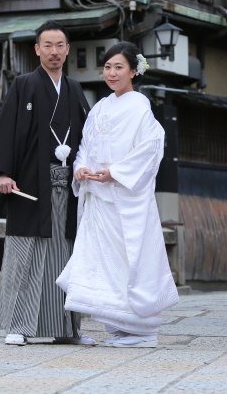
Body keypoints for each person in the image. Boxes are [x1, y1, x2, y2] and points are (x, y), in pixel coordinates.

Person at [56, 42, 179, 348]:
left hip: (126, 198)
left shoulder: (140, 105)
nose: (111, 73)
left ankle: (143, 329)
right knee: (104, 261)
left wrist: (118, 172)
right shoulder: (100, 106)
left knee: (129, 258)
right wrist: (81, 167)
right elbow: (86, 144)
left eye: (118, 67)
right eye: (108, 67)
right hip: (99, 195)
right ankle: (120, 326)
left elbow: (151, 147)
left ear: (134, 71)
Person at [0, 20, 95, 346]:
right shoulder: (23, 85)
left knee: (67, 256)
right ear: (37, 49)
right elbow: (5, 131)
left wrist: (91, 168)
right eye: (48, 45)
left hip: (68, 191)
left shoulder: (75, 89)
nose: (54, 52)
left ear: (68, 49)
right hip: (32, 188)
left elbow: (90, 138)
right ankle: (17, 325)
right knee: (25, 255)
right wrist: (1, 173)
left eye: (60, 45)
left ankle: (66, 328)